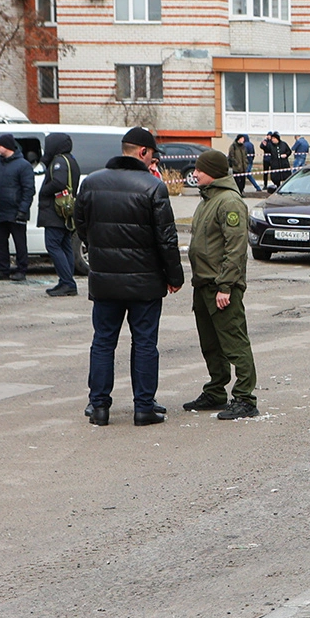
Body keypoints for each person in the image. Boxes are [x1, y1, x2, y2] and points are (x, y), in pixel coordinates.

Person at [73, 126, 184, 426]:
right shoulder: (152, 187)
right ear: (143, 152)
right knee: (145, 343)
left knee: (103, 342)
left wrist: (101, 249)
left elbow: (81, 226)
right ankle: (143, 407)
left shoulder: (92, 183)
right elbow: (167, 239)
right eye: (152, 157)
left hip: (105, 280)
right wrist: (174, 275)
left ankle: (98, 407)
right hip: (145, 282)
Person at [182, 150, 260, 420]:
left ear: (212, 171)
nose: (194, 173)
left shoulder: (229, 201)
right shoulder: (208, 199)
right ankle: (216, 391)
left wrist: (225, 286)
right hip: (203, 284)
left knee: (234, 342)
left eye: (199, 170)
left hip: (221, 287)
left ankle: (245, 398)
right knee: (211, 344)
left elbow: (236, 248)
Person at [37, 133, 82, 297]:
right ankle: (65, 281)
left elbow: (59, 182)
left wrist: (44, 190)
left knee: (53, 245)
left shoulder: (59, 161)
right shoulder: (70, 159)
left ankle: (68, 282)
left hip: (55, 211)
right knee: (65, 246)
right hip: (64, 212)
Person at [0, 134, 35, 282]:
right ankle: (3, 270)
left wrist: (22, 210)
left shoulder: (23, 165)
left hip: (16, 211)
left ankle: (22, 270)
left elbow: (28, 190)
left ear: (7, 146)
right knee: (0, 242)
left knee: (20, 242)